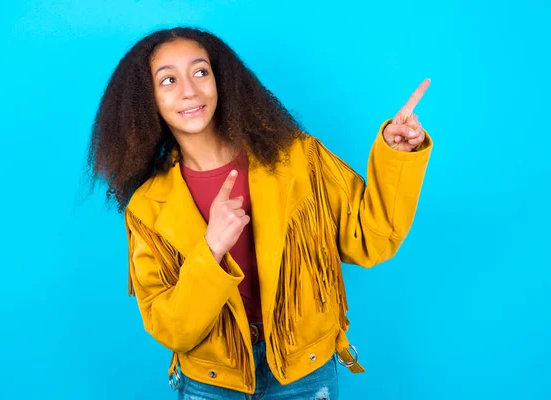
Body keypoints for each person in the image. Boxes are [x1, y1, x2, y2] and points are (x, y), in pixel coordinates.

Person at [86, 26, 433, 399]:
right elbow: (172, 330)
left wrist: (397, 154)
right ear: (147, 99)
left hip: (304, 373)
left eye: (200, 71)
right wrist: (211, 248)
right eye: (168, 80)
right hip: (211, 383)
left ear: (221, 80)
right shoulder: (147, 208)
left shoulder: (298, 159)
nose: (189, 89)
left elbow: (371, 240)